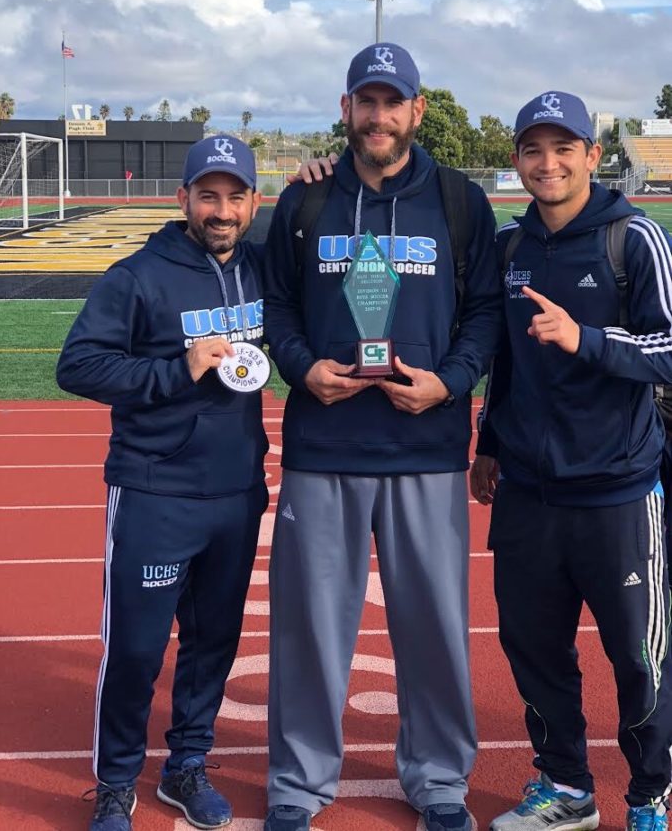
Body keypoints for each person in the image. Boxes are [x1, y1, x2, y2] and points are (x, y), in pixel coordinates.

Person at [262, 42, 502, 831]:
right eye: (364, 101)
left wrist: (450, 382)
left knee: (433, 629)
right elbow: (277, 311)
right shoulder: (303, 205)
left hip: (426, 450)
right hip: (324, 446)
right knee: (307, 632)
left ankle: (436, 780)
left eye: (391, 101)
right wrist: (302, 370)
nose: (377, 116)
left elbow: (485, 316)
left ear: (416, 111)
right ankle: (298, 786)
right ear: (345, 110)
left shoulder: (461, 202)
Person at [470, 91, 672, 831]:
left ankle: (648, 795)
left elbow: (670, 348)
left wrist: (586, 340)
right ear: (517, 158)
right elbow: (502, 361)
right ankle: (565, 788)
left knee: (638, 657)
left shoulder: (632, 240)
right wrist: (487, 445)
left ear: (592, 155)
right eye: (532, 149)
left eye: (564, 148)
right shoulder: (508, 248)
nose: (546, 163)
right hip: (527, 490)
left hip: (617, 491)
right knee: (531, 646)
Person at [57, 136, 268, 831]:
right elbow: (79, 367)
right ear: (182, 200)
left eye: (235, 196)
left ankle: (186, 765)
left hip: (237, 494)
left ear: (253, 202)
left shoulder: (263, 271)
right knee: (139, 649)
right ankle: (116, 782)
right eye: (208, 195)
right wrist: (175, 368)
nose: (222, 209)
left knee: (213, 644)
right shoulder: (137, 276)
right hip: (154, 489)